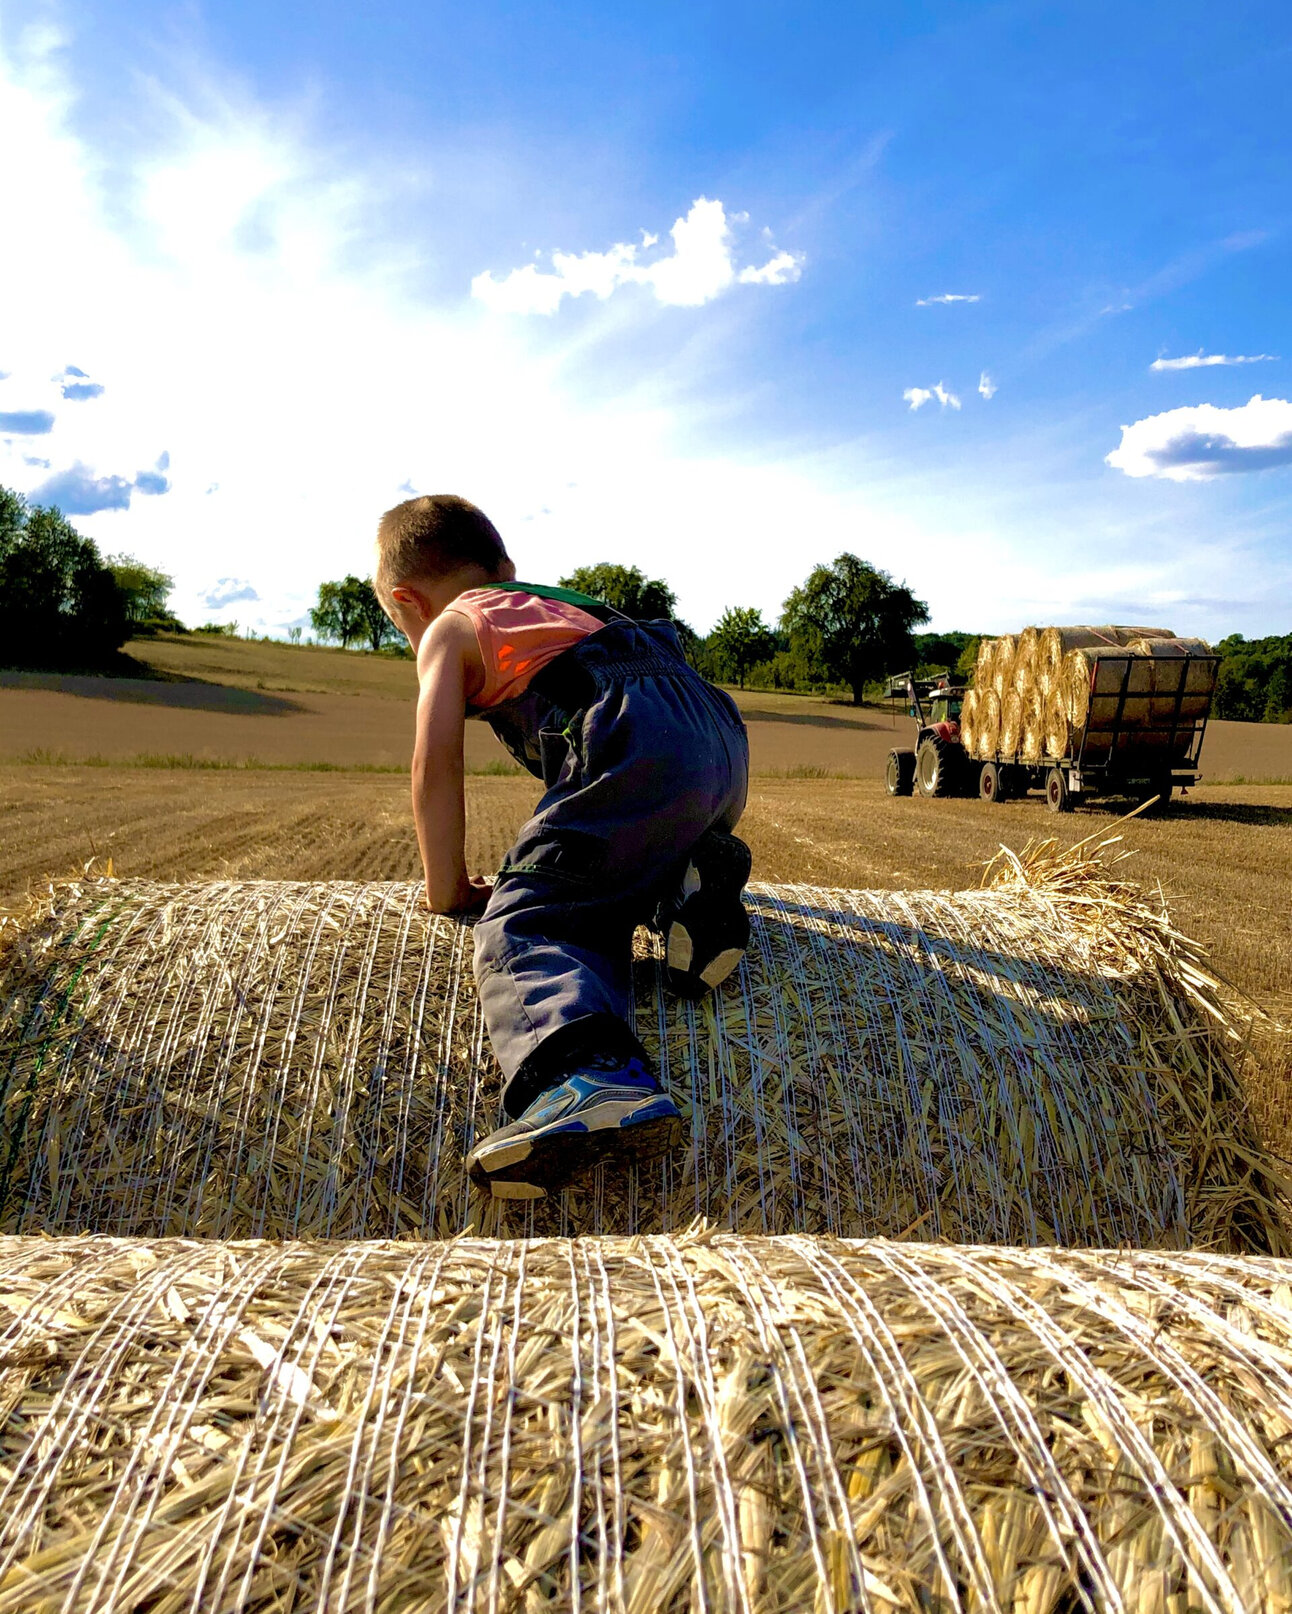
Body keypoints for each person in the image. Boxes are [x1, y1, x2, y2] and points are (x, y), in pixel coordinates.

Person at [375, 494, 752, 1201]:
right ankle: (690, 898)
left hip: (631, 736)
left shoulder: (452, 628)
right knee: (613, 866)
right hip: (716, 735)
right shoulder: (555, 604)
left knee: (536, 920)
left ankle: (585, 1074)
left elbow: (434, 764)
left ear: (407, 601)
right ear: (505, 567)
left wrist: (448, 888)